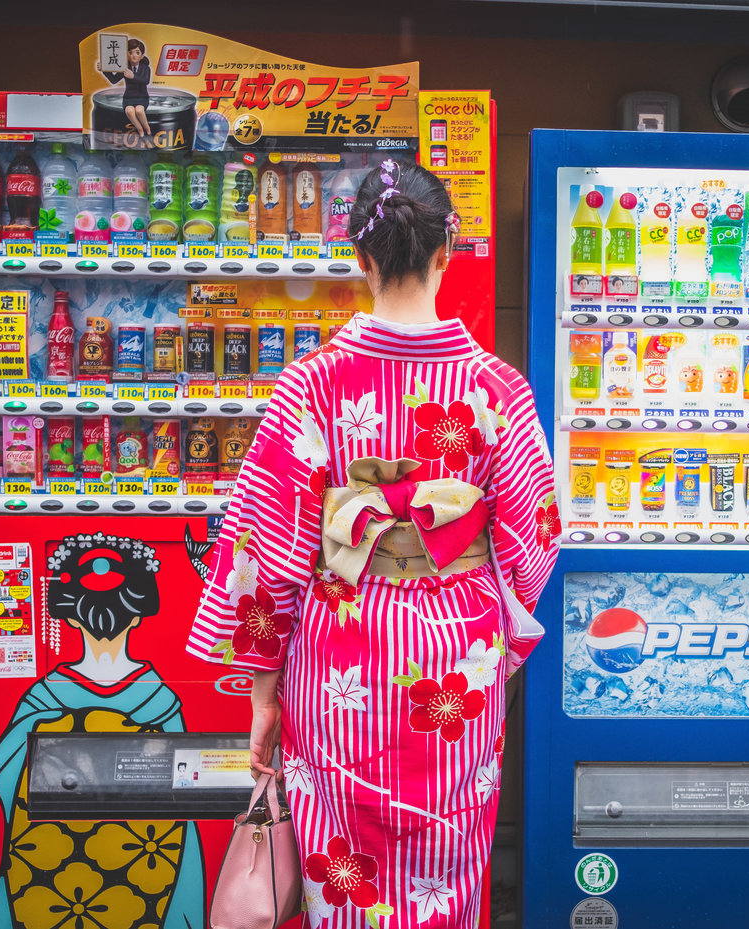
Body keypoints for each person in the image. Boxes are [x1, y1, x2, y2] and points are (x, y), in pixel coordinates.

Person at [188, 159, 559, 928]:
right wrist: (496, 636)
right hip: (457, 668)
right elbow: (533, 542)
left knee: (344, 871)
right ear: (444, 254)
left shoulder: (311, 385)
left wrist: (263, 697)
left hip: (340, 664)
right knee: (445, 869)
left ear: (359, 259)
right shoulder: (498, 390)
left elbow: (265, 552)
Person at [0, 534, 204, 929]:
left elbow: (5, 769)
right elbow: (188, 800)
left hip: (46, 875)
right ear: (140, 613)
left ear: (67, 615)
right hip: (147, 876)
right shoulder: (162, 700)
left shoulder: (42, 698)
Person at [98, 39, 152, 137]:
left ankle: (147, 128)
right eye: (130, 52)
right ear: (127, 55)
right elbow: (114, 80)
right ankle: (140, 130)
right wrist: (104, 70)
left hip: (142, 97)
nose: (134, 55)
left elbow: (146, 80)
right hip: (128, 98)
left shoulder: (146, 68)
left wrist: (133, 76)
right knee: (129, 111)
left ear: (142, 55)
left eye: (137, 52)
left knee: (139, 110)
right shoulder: (124, 68)